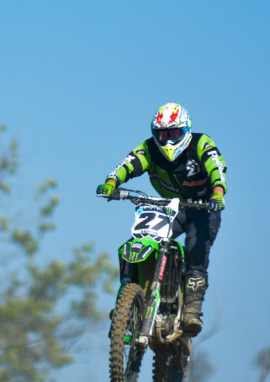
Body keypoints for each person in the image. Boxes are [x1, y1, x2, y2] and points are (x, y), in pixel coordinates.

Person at [95, 102, 227, 336]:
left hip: (204, 207)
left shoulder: (200, 143)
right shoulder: (149, 148)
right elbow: (129, 163)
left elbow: (215, 166)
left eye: (174, 133)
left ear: (185, 131)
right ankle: (127, 299)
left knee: (196, 250)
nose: (167, 140)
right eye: (162, 134)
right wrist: (111, 183)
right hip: (170, 207)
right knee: (143, 238)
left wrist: (217, 191)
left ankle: (192, 310)